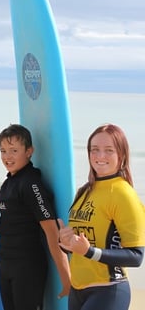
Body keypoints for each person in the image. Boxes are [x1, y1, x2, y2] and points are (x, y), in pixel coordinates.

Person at [0, 124, 71, 310]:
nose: (7, 157)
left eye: (14, 150)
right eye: (3, 151)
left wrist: (66, 278)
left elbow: (51, 232)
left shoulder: (31, 183)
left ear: (29, 151)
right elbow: (14, 227)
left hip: (28, 267)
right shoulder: (9, 182)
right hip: (6, 264)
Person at [58, 124, 145, 310]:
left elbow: (136, 256)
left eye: (109, 150)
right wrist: (66, 244)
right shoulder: (85, 191)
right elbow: (81, 244)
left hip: (108, 291)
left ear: (121, 155)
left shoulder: (123, 194)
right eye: (94, 150)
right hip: (78, 289)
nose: (100, 156)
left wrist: (90, 252)